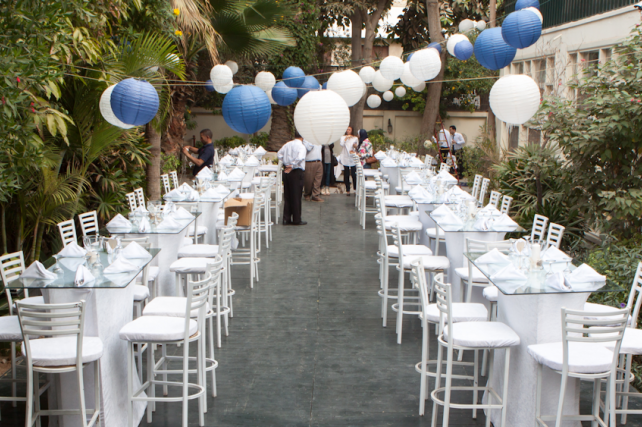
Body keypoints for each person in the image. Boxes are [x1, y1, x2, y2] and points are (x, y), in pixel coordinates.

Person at [278, 132, 307, 225]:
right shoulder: (302, 146)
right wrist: (292, 165)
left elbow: (279, 154)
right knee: (296, 195)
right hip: (296, 171)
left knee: (287, 195)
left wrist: (286, 164)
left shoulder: (287, 144)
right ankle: (296, 219)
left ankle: (286, 218)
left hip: (287, 171)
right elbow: (300, 157)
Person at [339, 126, 358, 196]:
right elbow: (341, 144)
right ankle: (348, 190)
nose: (348, 131)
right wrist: (346, 139)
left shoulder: (355, 138)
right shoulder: (343, 137)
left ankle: (355, 189)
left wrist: (354, 145)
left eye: (349, 129)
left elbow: (356, 146)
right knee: (346, 174)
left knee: (353, 174)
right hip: (345, 157)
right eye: (347, 129)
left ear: (352, 130)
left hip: (352, 157)